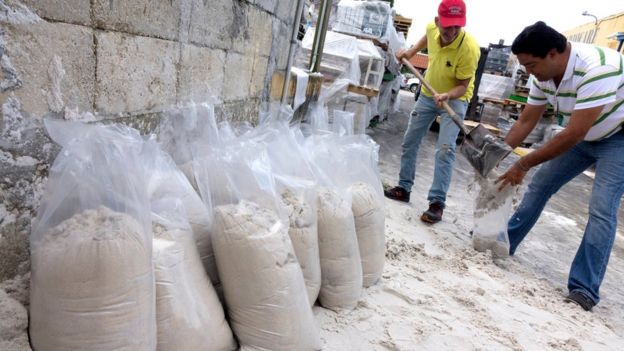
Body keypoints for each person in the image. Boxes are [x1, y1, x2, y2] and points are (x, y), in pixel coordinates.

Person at [497, 21, 624, 311]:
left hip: (618, 138)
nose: (529, 72)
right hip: (585, 132)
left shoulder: (598, 67)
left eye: (531, 65)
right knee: (541, 184)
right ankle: (504, 242)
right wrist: (497, 155)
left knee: (602, 208)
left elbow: (574, 133)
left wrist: (524, 162)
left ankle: (584, 289)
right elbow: (526, 121)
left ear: (554, 53)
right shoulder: (542, 75)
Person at [384, 0, 480, 224]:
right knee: (410, 140)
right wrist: (409, 52)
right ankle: (403, 188)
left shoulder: (469, 49)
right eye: (448, 26)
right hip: (428, 93)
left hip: (455, 100)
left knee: (445, 150)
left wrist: (448, 96)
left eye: (457, 26)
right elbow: (427, 38)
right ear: (438, 22)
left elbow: (463, 87)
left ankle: (437, 203)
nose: (452, 32)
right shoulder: (431, 28)